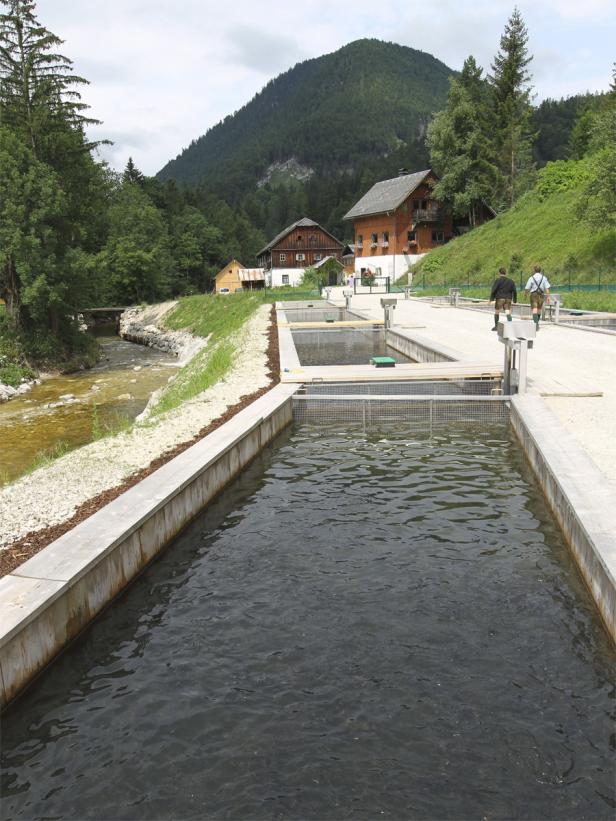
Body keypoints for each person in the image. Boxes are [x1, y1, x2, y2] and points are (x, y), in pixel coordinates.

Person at [489, 266, 517, 331]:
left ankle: (496, 327)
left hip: (500, 298)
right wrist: (515, 300)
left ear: (499, 273)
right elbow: (514, 291)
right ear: (506, 273)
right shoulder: (511, 281)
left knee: (497, 312)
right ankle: (510, 327)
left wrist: (491, 299)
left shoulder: (498, 280)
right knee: (507, 312)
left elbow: (493, 289)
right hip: (508, 298)